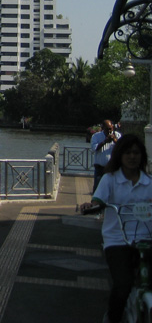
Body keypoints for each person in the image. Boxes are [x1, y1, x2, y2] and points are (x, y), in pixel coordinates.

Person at [80, 134, 152, 323]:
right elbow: (98, 200)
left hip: (147, 239)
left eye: (136, 153)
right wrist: (91, 205)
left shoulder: (149, 182)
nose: (132, 157)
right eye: (127, 152)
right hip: (118, 240)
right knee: (123, 284)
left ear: (142, 156)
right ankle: (113, 318)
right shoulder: (110, 179)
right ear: (120, 155)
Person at [91, 120, 121, 193]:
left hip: (112, 168)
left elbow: (122, 148)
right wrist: (105, 141)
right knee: (97, 189)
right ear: (103, 128)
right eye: (107, 129)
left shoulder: (117, 135)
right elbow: (94, 148)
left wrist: (114, 140)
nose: (109, 131)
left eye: (111, 128)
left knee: (113, 190)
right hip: (100, 169)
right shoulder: (96, 136)